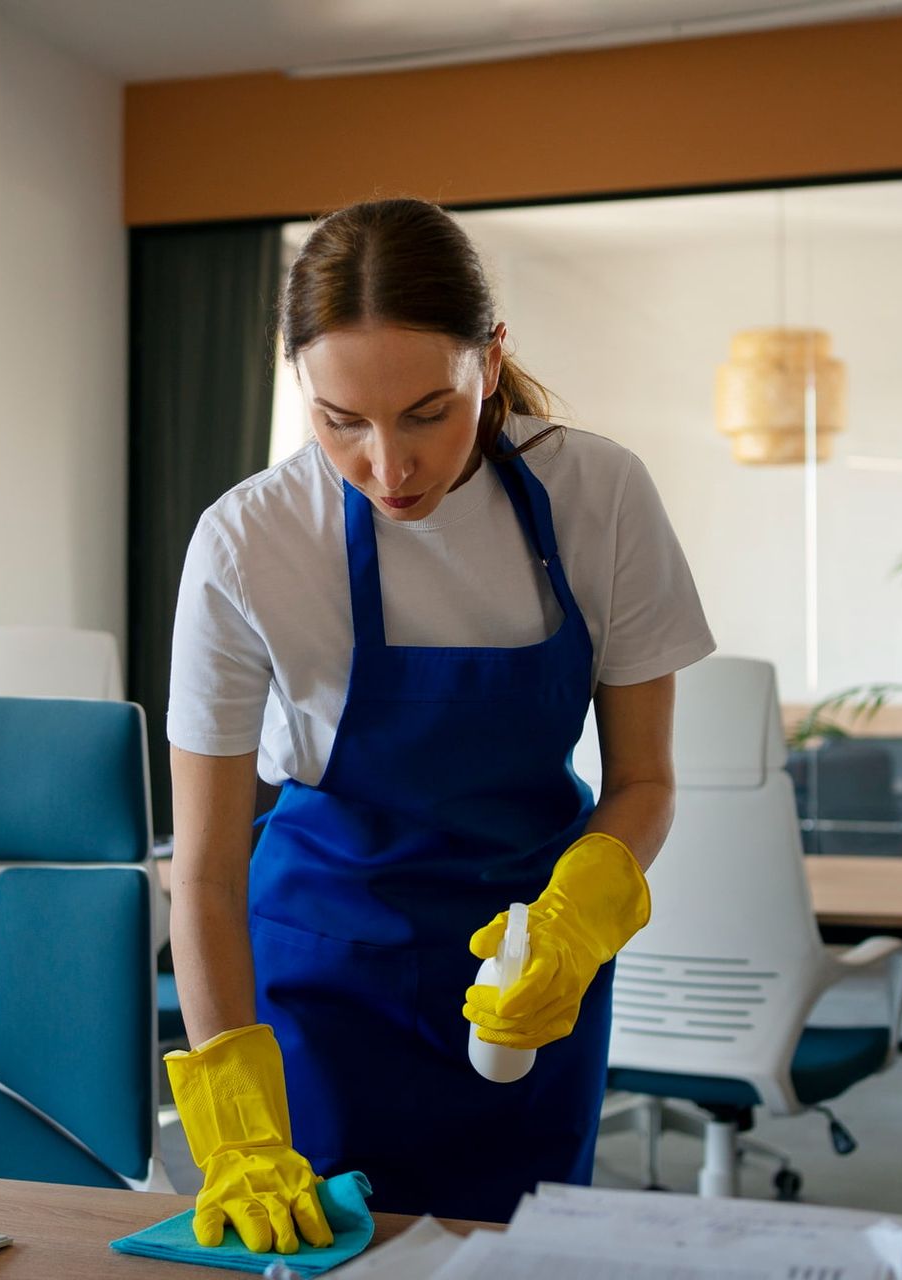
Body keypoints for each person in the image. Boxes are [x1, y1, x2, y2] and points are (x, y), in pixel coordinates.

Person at [163, 197, 714, 1253]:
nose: (389, 464)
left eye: (427, 411)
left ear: (490, 362)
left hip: (527, 976)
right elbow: (203, 872)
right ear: (302, 392)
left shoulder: (599, 495)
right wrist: (234, 1123)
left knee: (520, 1260)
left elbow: (644, 781)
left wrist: (579, 918)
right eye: (341, 421)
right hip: (321, 988)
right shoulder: (247, 544)